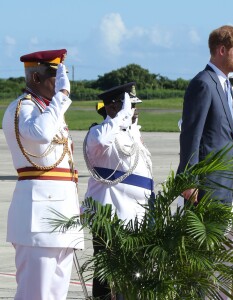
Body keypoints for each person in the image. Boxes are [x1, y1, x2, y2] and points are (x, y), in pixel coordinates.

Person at [2, 49, 84, 299]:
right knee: (35, 294)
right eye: (55, 76)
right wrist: (61, 97)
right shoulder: (22, 109)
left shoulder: (51, 112)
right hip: (37, 221)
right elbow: (39, 134)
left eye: (63, 77)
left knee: (57, 294)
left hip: (62, 218)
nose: (61, 83)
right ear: (35, 78)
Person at [83, 82, 153, 299]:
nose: (134, 110)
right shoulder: (99, 133)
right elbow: (102, 140)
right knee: (106, 274)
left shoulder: (132, 135)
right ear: (113, 107)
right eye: (130, 105)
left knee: (133, 275)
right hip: (110, 217)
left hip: (136, 216)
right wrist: (119, 117)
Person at [177, 25, 233, 206]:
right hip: (206, 187)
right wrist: (189, 180)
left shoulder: (226, 86)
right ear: (222, 50)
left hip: (224, 185)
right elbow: (191, 135)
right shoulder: (204, 84)